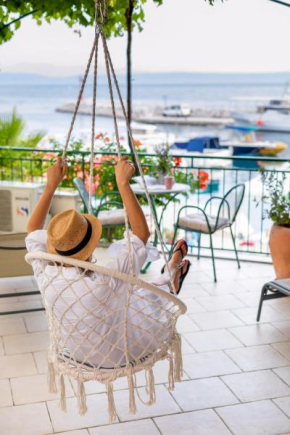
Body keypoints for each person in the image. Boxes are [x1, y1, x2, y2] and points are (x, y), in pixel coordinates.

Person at [26, 156, 191, 368]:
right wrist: (123, 183)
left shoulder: (45, 274)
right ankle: (170, 275)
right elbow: (141, 235)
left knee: (132, 296)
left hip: (73, 351)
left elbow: (32, 232)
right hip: (119, 353)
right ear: (89, 247)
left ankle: (170, 274)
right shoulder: (106, 280)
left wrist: (50, 186)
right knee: (145, 296)